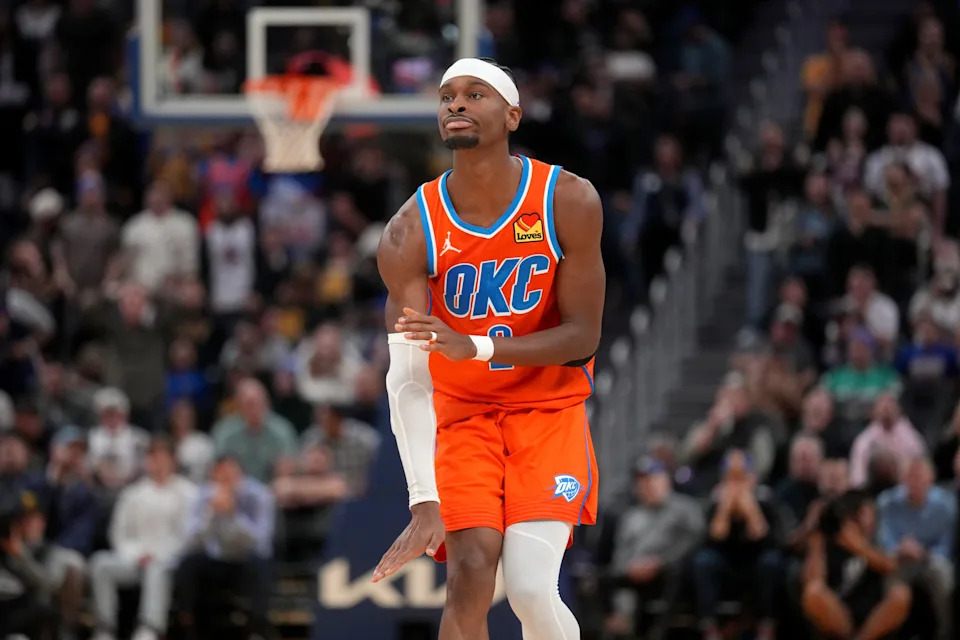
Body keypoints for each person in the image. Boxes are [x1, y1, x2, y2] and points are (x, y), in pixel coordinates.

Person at [373, 57, 604, 639]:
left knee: (528, 586)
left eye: (476, 94)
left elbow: (582, 339)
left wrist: (476, 346)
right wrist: (423, 499)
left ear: (513, 115)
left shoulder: (567, 199)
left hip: (548, 411)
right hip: (466, 419)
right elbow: (405, 376)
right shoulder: (409, 230)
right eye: (448, 96)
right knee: (470, 573)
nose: (456, 104)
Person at [89, 438, 197, 640]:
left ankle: (150, 628)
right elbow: (119, 533)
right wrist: (136, 554)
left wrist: (156, 555)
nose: (157, 463)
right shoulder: (133, 493)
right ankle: (105, 628)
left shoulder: (188, 493)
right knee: (100, 564)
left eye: (162, 457)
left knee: (157, 569)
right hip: (134, 558)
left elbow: (187, 536)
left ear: (173, 460)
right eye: (153, 457)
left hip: (170, 560)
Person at [605, 456, 704, 640]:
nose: (647, 485)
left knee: (681, 572)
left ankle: (656, 634)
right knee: (602, 578)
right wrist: (630, 567)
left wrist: (661, 562)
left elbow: (694, 541)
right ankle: (615, 625)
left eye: (652, 478)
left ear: (666, 479)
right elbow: (619, 556)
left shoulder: (685, 509)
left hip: (670, 572)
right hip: (636, 574)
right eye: (641, 481)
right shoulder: (631, 517)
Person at [176, 456, 274, 638]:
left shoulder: (259, 495)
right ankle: (189, 628)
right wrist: (210, 514)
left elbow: (260, 541)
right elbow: (191, 540)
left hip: (246, 558)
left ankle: (257, 630)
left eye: (229, 475)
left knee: (261, 565)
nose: (224, 480)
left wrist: (233, 514)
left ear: (241, 474)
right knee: (188, 563)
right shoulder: (204, 495)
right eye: (219, 476)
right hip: (215, 559)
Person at [691, 450, 783, 640]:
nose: (735, 485)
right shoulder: (714, 503)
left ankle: (766, 624)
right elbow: (710, 540)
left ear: (752, 478)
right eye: (730, 478)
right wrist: (724, 510)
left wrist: (750, 511)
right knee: (703, 561)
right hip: (726, 567)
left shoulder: (766, 500)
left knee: (771, 562)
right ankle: (710, 627)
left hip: (756, 565)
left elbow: (771, 541)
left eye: (740, 478)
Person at [802, 490, 911, 640]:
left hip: (873, 613)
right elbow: (813, 581)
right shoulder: (828, 541)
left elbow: (891, 567)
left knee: (901, 594)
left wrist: (858, 546)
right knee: (813, 592)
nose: (870, 518)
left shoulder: (879, 538)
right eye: (864, 513)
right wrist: (816, 542)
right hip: (839, 612)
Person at [877, 457, 955, 639]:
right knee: (889, 575)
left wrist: (924, 553)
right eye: (910, 476)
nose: (915, 481)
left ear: (931, 478)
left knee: (943, 573)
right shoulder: (887, 502)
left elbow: (946, 544)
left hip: (930, 560)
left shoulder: (946, 504)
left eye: (920, 476)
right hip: (900, 559)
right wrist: (899, 549)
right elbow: (884, 539)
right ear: (902, 479)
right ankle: (888, 632)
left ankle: (946, 632)